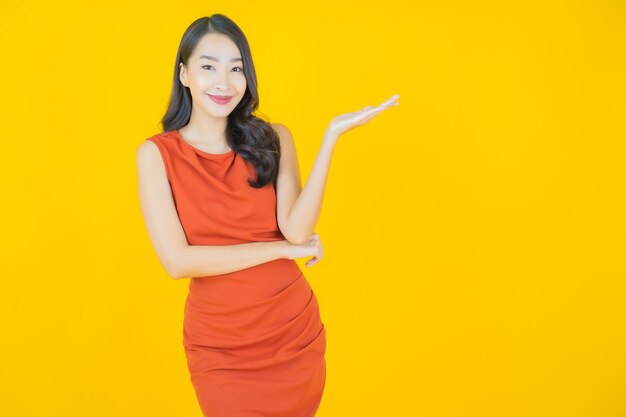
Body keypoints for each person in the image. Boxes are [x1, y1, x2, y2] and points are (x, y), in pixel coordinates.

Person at [136, 13, 399, 417]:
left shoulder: (274, 138)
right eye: (208, 67)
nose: (224, 82)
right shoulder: (157, 154)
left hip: (290, 331)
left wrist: (330, 138)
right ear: (185, 74)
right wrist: (278, 251)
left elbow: (296, 231)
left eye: (236, 68)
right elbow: (177, 261)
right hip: (221, 345)